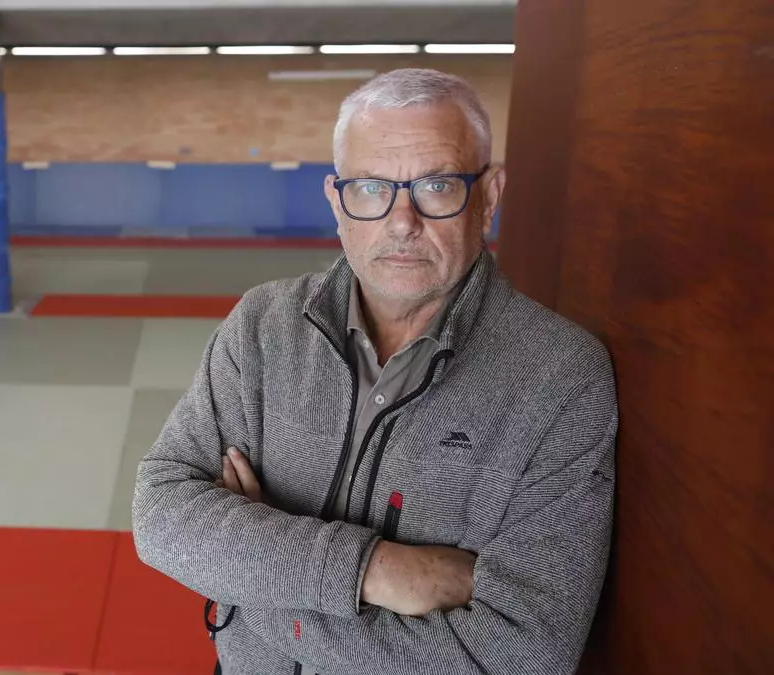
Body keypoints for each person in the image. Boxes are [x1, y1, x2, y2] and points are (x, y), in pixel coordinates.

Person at [132, 68, 617, 675]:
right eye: (370, 188)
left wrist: (258, 581)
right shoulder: (262, 325)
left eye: (436, 185)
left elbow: (524, 656)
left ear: (489, 196)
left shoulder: (560, 378)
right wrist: (377, 570)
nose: (401, 221)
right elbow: (162, 513)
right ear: (338, 201)